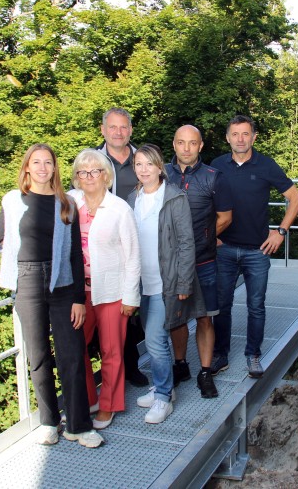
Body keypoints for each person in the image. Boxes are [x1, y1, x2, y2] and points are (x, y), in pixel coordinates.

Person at [0, 143, 103, 448]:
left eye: (48, 163)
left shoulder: (65, 203)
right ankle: (49, 421)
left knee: (71, 355)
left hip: (63, 283)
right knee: (38, 356)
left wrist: (79, 298)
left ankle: (79, 426)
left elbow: (76, 257)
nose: (42, 168)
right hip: (27, 282)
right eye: (36, 162)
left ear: (55, 168)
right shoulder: (14, 201)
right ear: (27, 167)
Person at [210, 115, 298, 379]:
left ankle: (253, 355)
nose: (240, 139)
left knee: (256, 305)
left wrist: (281, 232)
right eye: (235, 134)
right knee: (222, 305)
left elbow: (296, 199)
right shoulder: (216, 166)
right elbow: (204, 200)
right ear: (227, 137)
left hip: (257, 251)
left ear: (254, 137)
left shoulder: (266, 165)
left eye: (245, 134)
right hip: (224, 249)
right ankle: (220, 355)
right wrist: (211, 235)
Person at [127, 144, 207, 424]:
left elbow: (187, 243)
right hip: (142, 283)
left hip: (167, 281)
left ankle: (163, 397)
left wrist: (184, 282)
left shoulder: (174, 197)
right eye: (138, 164)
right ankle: (165, 387)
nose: (144, 170)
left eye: (149, 164)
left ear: (160, 167)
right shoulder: (132, 198)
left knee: (155, 340)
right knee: (154, 340)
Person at [68, 149, 141, 430]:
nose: (89, 177)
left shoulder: (119, 208)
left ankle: (109, 404)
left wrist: (131, 296)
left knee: (111, 351)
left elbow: (133, 256)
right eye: (82, 172)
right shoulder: (70, 204)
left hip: (112, 292)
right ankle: (88, 398)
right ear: (76, 177)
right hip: (78, 293)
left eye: (95, 171)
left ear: (105, 175)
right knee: (78, 347)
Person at [165, 125, 233, 398]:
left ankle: (205, 372)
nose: (186, 148)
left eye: (192, 143)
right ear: (174, 144)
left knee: (205, 317)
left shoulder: (214, 177)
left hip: (203, 261)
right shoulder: (162, 175)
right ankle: (180, 365)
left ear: (201, 146)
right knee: (177, 318)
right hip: (171, 263)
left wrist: (202, 241)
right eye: (181, 142)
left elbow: (225, 217)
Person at [95, 107, 148, 387]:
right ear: (103, 130)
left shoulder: (143, 159)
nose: (118, 132)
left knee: (139, 304)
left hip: (143, 245)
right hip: (107, 249)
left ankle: (133, 363)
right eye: (113, 127)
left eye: (124, 127)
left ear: (131, 130)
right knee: (115, 309)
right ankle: (122, 366)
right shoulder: (93, 160)